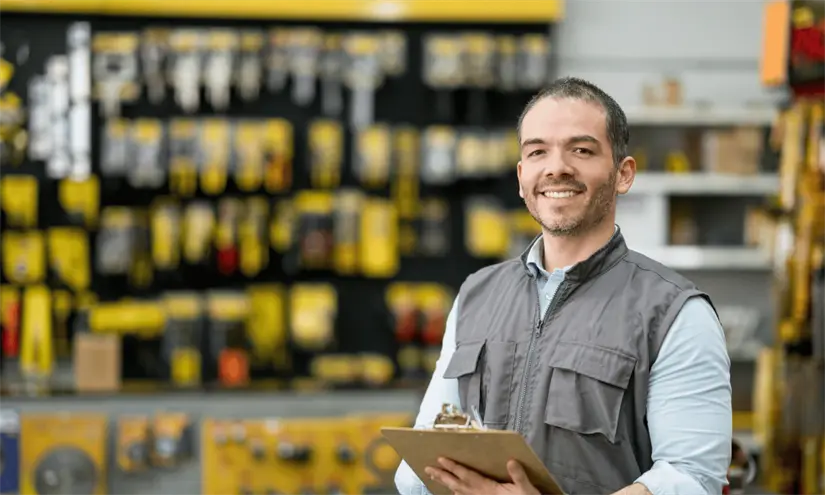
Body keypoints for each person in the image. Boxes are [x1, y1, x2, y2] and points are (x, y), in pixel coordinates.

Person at [394, 77, 732, 495]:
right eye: (537, 151)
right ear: (522, 178)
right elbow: (419, 464)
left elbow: (691, 477)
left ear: (623, 174)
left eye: (582, 150)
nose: (556, 167)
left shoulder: (674, 314)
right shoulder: (475, 297)